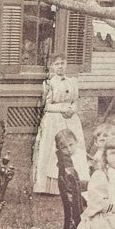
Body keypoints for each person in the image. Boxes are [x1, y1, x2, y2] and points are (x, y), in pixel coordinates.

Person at [32, 56, 89, 194]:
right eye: (57, 64)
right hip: (54, 119)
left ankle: (78, 181)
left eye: (62, 63)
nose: (60, 66)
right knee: (52, 148)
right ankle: (51, 186)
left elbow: (75, 100)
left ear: (66, 64)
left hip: (71, 118)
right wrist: (63, 109)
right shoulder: (49, 83)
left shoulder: (72, 81)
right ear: (52, 66)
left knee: (75, 146)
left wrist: (72, 109)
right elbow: (47, 106)